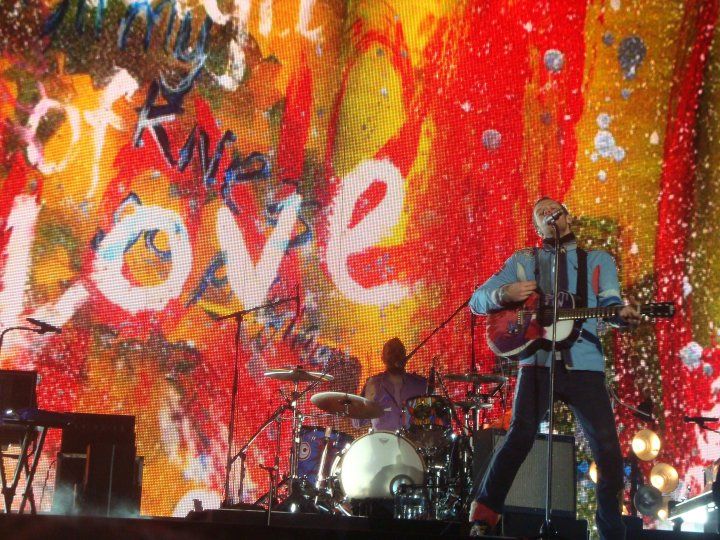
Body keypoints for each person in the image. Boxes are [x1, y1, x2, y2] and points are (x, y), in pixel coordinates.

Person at [468, 197, 641, 539]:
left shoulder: (598, 260)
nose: (548, 212)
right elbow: (477, 301)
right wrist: (505, 293)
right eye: (540, 212)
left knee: (608, 450)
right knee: (519, 436)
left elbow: (611, 306)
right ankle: (483, 518)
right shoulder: (523, 261)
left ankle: (611, 532)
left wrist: (622, 317)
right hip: (537, 364)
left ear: (567, 216)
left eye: (553, 208)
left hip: (584, 366)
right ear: (536, 227)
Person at [354, 337, 427, 431]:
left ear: (405, 355)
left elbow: (433, 421)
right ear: (383, 358)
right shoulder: (373, 384)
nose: (396, 355)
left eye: (399, 351)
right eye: (391, 352)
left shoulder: (421, 385)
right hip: (382, 439)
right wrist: (356, 404)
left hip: (413, 440)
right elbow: (358, 422)